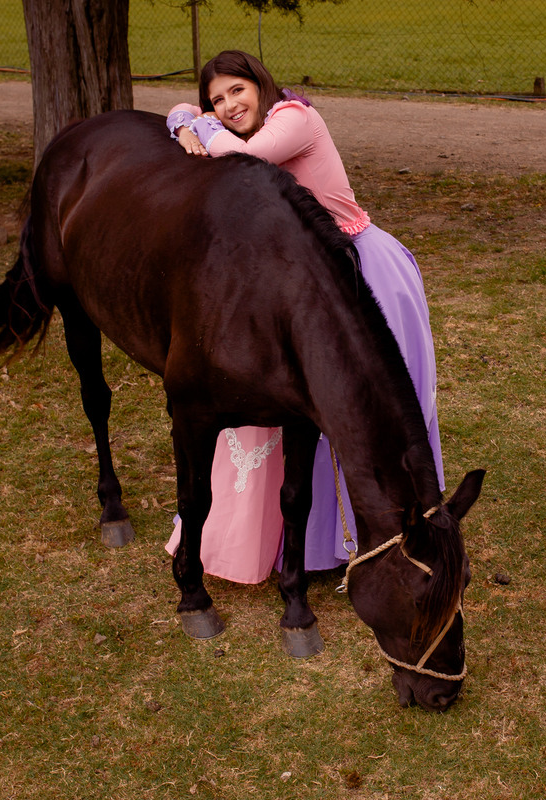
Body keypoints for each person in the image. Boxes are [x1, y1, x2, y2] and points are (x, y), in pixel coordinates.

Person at [163, 50, 446, 582]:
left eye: (237, 91)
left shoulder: (293, 118)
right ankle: (297, 544)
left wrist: (199, 123)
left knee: (361, 402)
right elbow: (190, 117)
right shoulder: (239, 127)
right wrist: (183, 120)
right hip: (297, 281)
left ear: (260, 83)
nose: (228, 106)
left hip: (359, 269)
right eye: (217, 100)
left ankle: (389, 521)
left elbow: (247, 161)